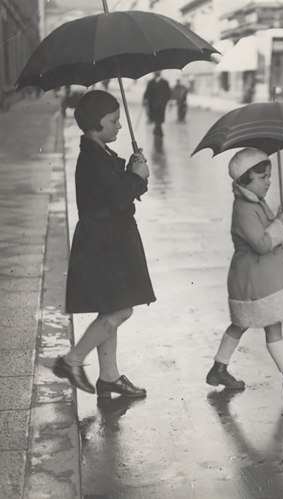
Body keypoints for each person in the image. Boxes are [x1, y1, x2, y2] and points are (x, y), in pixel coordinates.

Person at [53, 90, 156, 398]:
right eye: (113, 121)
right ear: (97, 123)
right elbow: (117, 199)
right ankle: (72, 361)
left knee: (112, 307)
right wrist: (136, 178)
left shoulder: (99, 154)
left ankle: (109, 377)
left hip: (108, 239)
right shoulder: (93, 158)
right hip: (105, 242)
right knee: (120, 310)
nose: (119, 126)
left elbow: (113, 192)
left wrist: (132, 174)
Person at [206, 148, 283, 395]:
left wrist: (279, 221)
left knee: (246, 324)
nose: (268, 181)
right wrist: (280, 223)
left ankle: (219, 368)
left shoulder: (253, 202)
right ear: (244, 180)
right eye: (262, 177)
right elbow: (261, 243)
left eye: (269, 176)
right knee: (261, 325)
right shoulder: (244, 208)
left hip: (260, 278)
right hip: (253, 279)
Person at [143, 72, 171, 137]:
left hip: (161, 104)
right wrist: (145, 99)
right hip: (152, 104)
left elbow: (168, 93)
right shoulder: (151, 82)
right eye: (155, 72)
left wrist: (165, 101)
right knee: (155, 118)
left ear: (160, 73)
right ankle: (157, 131)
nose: (157, 73)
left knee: (159, 118)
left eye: (158, 71)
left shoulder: (165, 82)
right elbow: (147, 92)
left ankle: (157, 131)